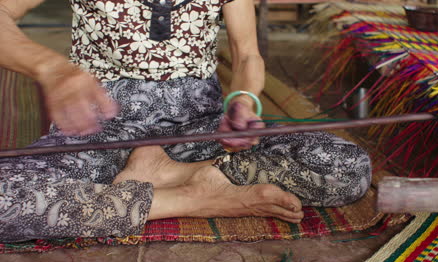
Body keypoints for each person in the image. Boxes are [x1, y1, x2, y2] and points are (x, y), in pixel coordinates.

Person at [0, 0, 372, 242]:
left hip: (198, 133)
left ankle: (170, 174)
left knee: (346, 168)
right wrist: (49, 67)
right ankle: (189, 197)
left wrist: (243, 100)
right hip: (99, 134)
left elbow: (246, 57)